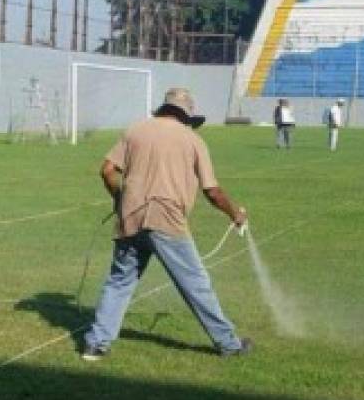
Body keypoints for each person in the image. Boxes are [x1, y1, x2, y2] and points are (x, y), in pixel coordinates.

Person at [81, 87, 253, 361]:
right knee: (196, 284)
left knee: (118, 282)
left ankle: (95, 345)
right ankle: (229, 344)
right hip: (167, 221)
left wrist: (120, 199)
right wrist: (235, 214)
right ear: (186, 115)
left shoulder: (135, 130)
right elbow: (212, 191)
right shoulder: (193, 140)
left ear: (163, 109)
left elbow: (107, 170)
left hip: (131, 219)